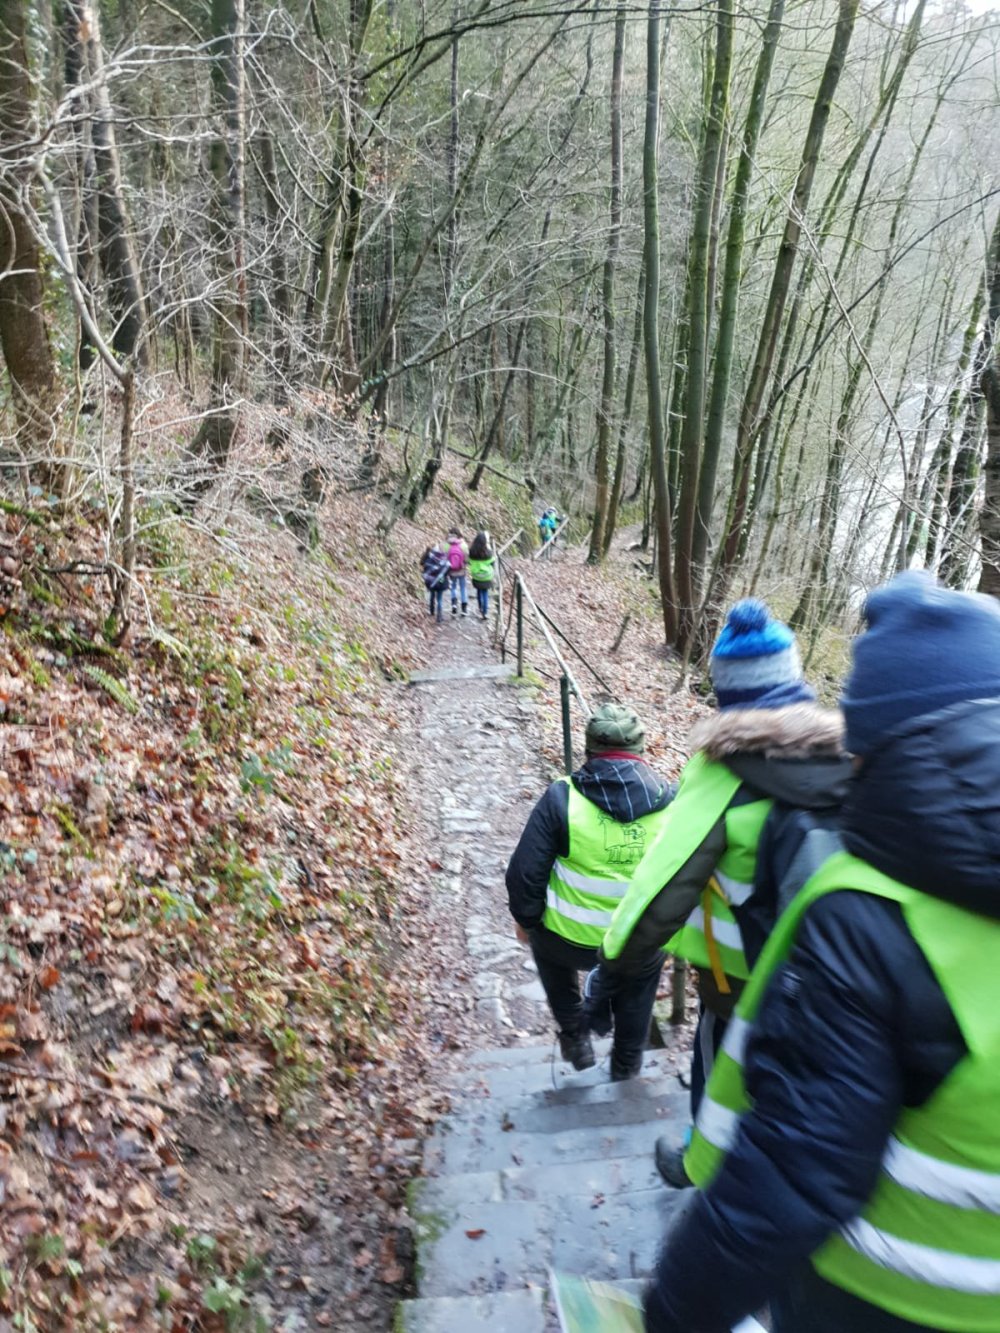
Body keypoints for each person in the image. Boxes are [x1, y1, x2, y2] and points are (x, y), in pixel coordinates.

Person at [643, 570, 1000, 1333]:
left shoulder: (868, 913)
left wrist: (675, 1309)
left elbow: (797, 1165)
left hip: (879, 1295)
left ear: (874, 737)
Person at [596, 600, 848, 1185]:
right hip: (838, 969)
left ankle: (700, 1162)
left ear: (724, 694)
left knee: (720, 1066)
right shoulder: (849, 757)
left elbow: (665, 889)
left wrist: (611, 970)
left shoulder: (721, 773)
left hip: (740, 979)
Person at [506, 704, 675, 1080]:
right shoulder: (672, 802)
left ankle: (575, 1036)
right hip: (637, 942)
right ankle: (626, 1063)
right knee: (640, 980)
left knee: (544, 945)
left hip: (568, 940)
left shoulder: (561, 798)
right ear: (641, 750)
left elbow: (524, 874)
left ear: (588, 749)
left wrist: (527, 921)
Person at [467, 531, 495, 620]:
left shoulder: (472, 552)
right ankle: (485, 612)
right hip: (487, 576)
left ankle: (480, 607)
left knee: (479, 591)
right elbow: (493, 562)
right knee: (485, 593)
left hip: (476, 576)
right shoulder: (488, 553)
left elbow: (469, 562)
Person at [420, 543, 449, 622]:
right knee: (439, 598)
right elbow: (446, 571)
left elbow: (425, 569)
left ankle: (432, 610)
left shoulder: (429, 559)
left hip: (431, 581)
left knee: (432, 595)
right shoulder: (444, 559)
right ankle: (439, 616)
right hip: (441, 581)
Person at [445, 528, 468, 617]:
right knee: (463, 588)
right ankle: (464, 609)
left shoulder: (447, 545)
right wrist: (464, 564)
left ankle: (454, 606)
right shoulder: (463, 545)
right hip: (461, 570)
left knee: (453, 588)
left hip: (452, 571)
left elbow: (445, 557)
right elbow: (467, 558)